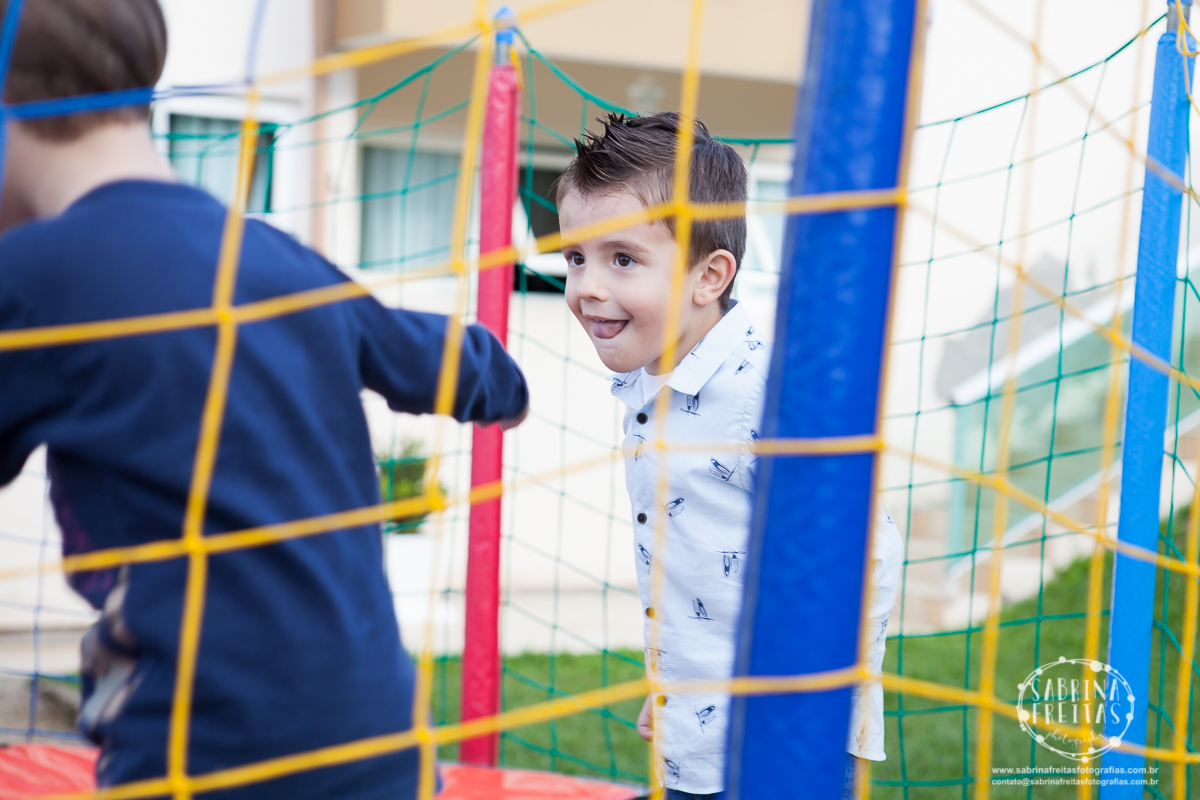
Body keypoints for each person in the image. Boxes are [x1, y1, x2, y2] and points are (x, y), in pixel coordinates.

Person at [0, 1, 528, 798]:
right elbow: (450, 362)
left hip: (204, 752)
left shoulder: (36, 276)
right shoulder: (278, 260)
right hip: (383, 749)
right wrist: (502, 385)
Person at [557, 112, 902, 800]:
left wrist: (821, 704)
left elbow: (871, 552)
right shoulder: (649, 382)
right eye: (575, 257)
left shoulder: (763, 398)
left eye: (622, 259)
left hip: (787, 744)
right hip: (698, 738)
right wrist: (678, 686)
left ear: (709, 276)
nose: (588, 286)